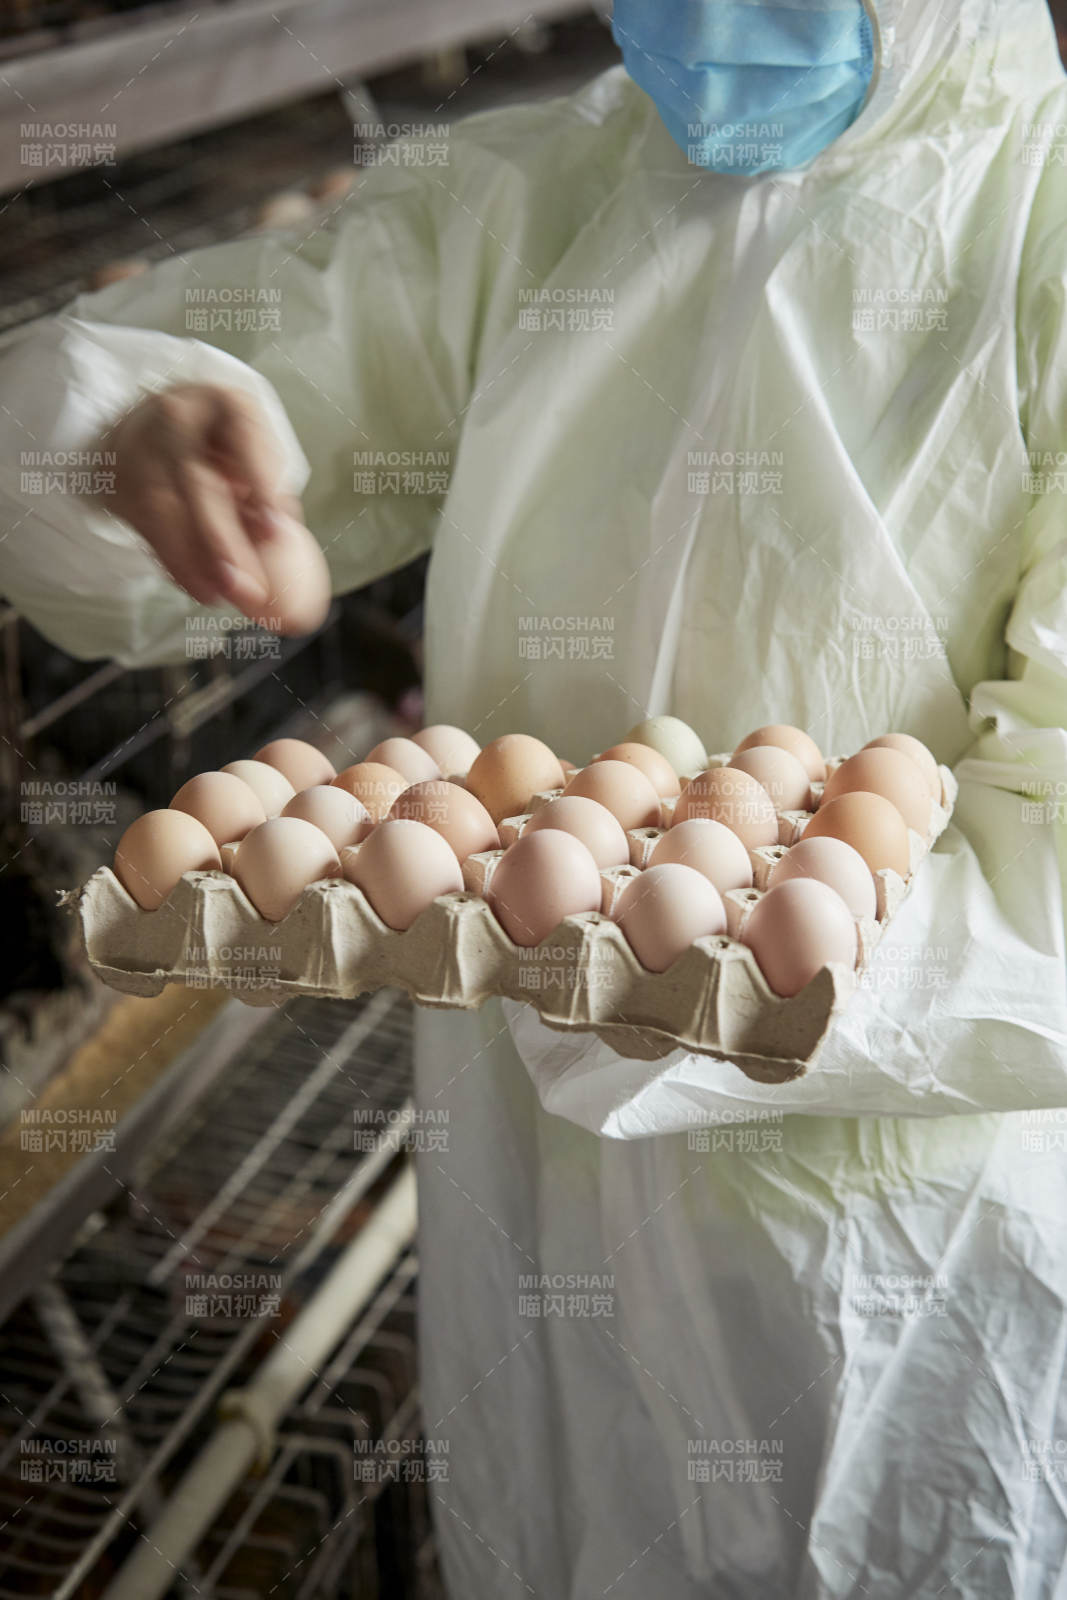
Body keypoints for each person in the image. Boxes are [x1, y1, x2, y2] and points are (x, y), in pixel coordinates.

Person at [3, 0, 1067, 1591]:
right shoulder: (544, 199)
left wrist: (745, 948)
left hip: (897, 1265)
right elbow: (181, 377)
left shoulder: (1034, 241)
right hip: (535, 1224)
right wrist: (132, 443)